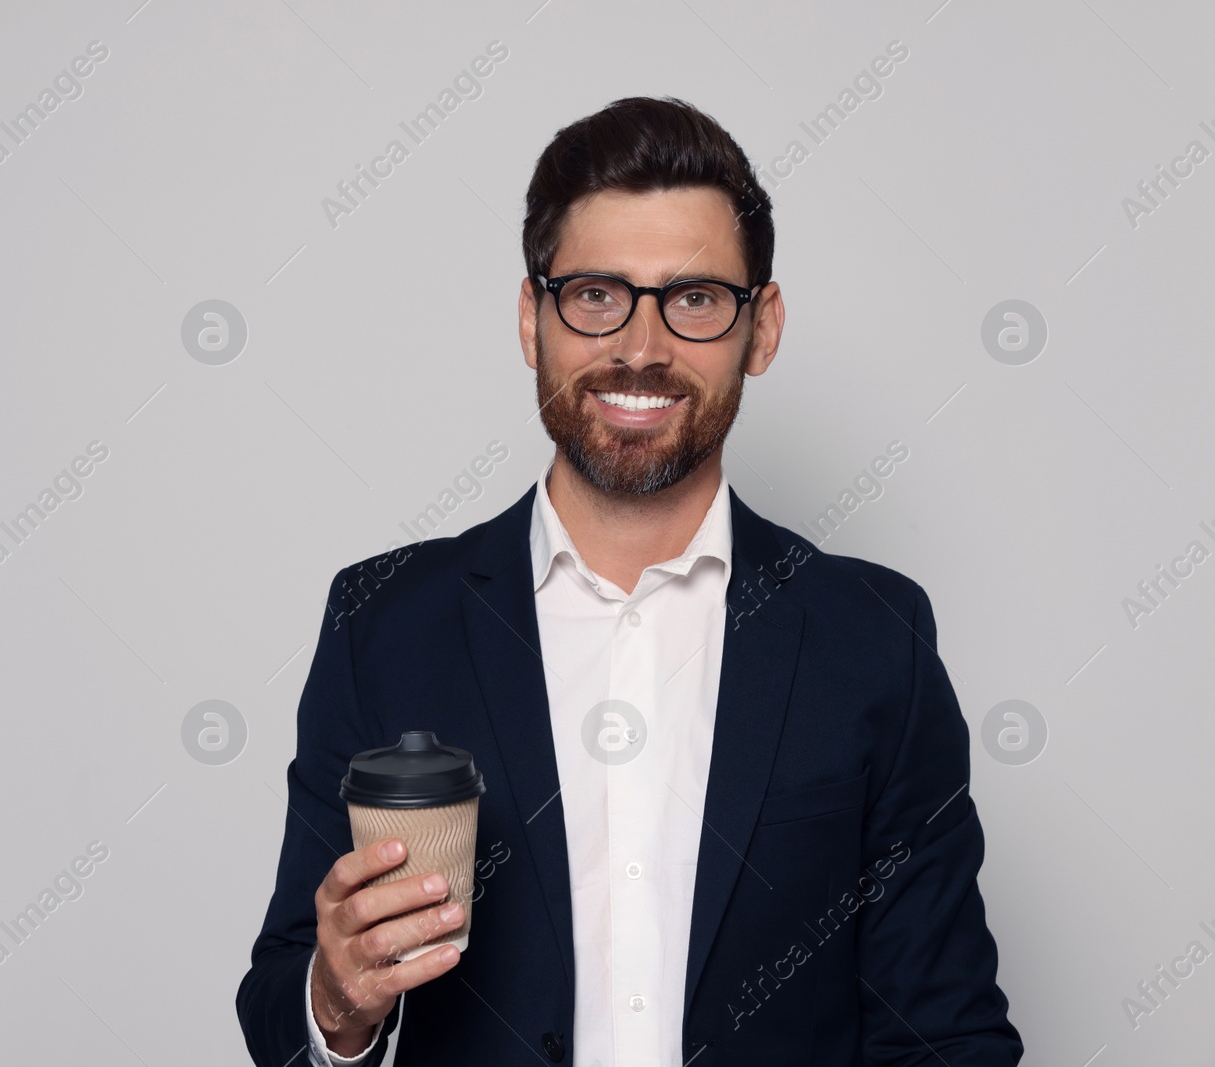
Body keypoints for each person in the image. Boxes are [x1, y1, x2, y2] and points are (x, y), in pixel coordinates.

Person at [236, 95, 1022, 1066]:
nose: (641, 347)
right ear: (532, 319)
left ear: (761, 328)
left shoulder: (873, 638)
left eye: (693, 298)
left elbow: (943, 1033)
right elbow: (283, 998)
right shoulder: (385, 622)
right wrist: (335, 996)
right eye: (596, 294)